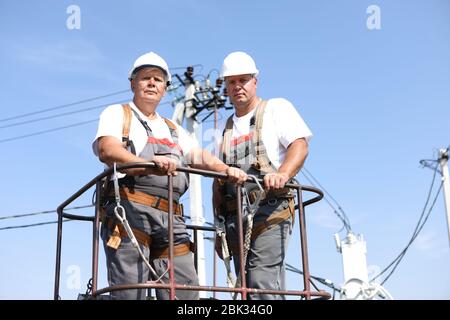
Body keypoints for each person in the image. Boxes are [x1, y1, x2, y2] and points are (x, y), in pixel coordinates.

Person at [92, 51, 247, 300]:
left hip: (171, 218)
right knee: (130, 293)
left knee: (185, 291)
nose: (152, 83)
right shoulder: (118, 114)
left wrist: (226, 170)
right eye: (145, 78)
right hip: (130, 212)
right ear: (133, 83)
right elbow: (107, 150)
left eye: (158, 79)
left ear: (165, 87)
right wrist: (147, 163)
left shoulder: (173, 129)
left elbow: (198, 156)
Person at [213, 51, 312, 300]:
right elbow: (218, 180)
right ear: (226, 86)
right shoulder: (224, 129)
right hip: (236, 218)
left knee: (260, 282)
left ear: (255, 81)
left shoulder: (276, 108)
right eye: (232, 82)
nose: (238, 87)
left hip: (271, 209)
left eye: (243, 80)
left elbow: (299, 146)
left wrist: (283, 173)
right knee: (243, 287)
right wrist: (219, 227)